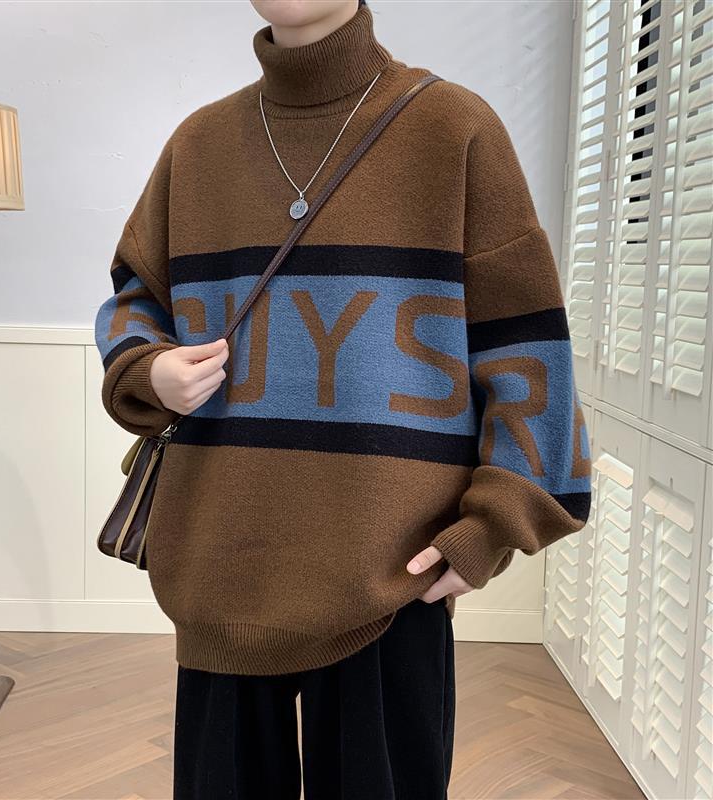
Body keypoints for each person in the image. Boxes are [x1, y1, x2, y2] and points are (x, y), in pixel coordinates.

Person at [93, 1, 592, 798]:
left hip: (394, 567)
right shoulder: (198, 144)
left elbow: (526, 349)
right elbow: (135, 298)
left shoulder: (454, 130)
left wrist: (492, 527)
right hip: (222, 563)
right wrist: (147, 370)